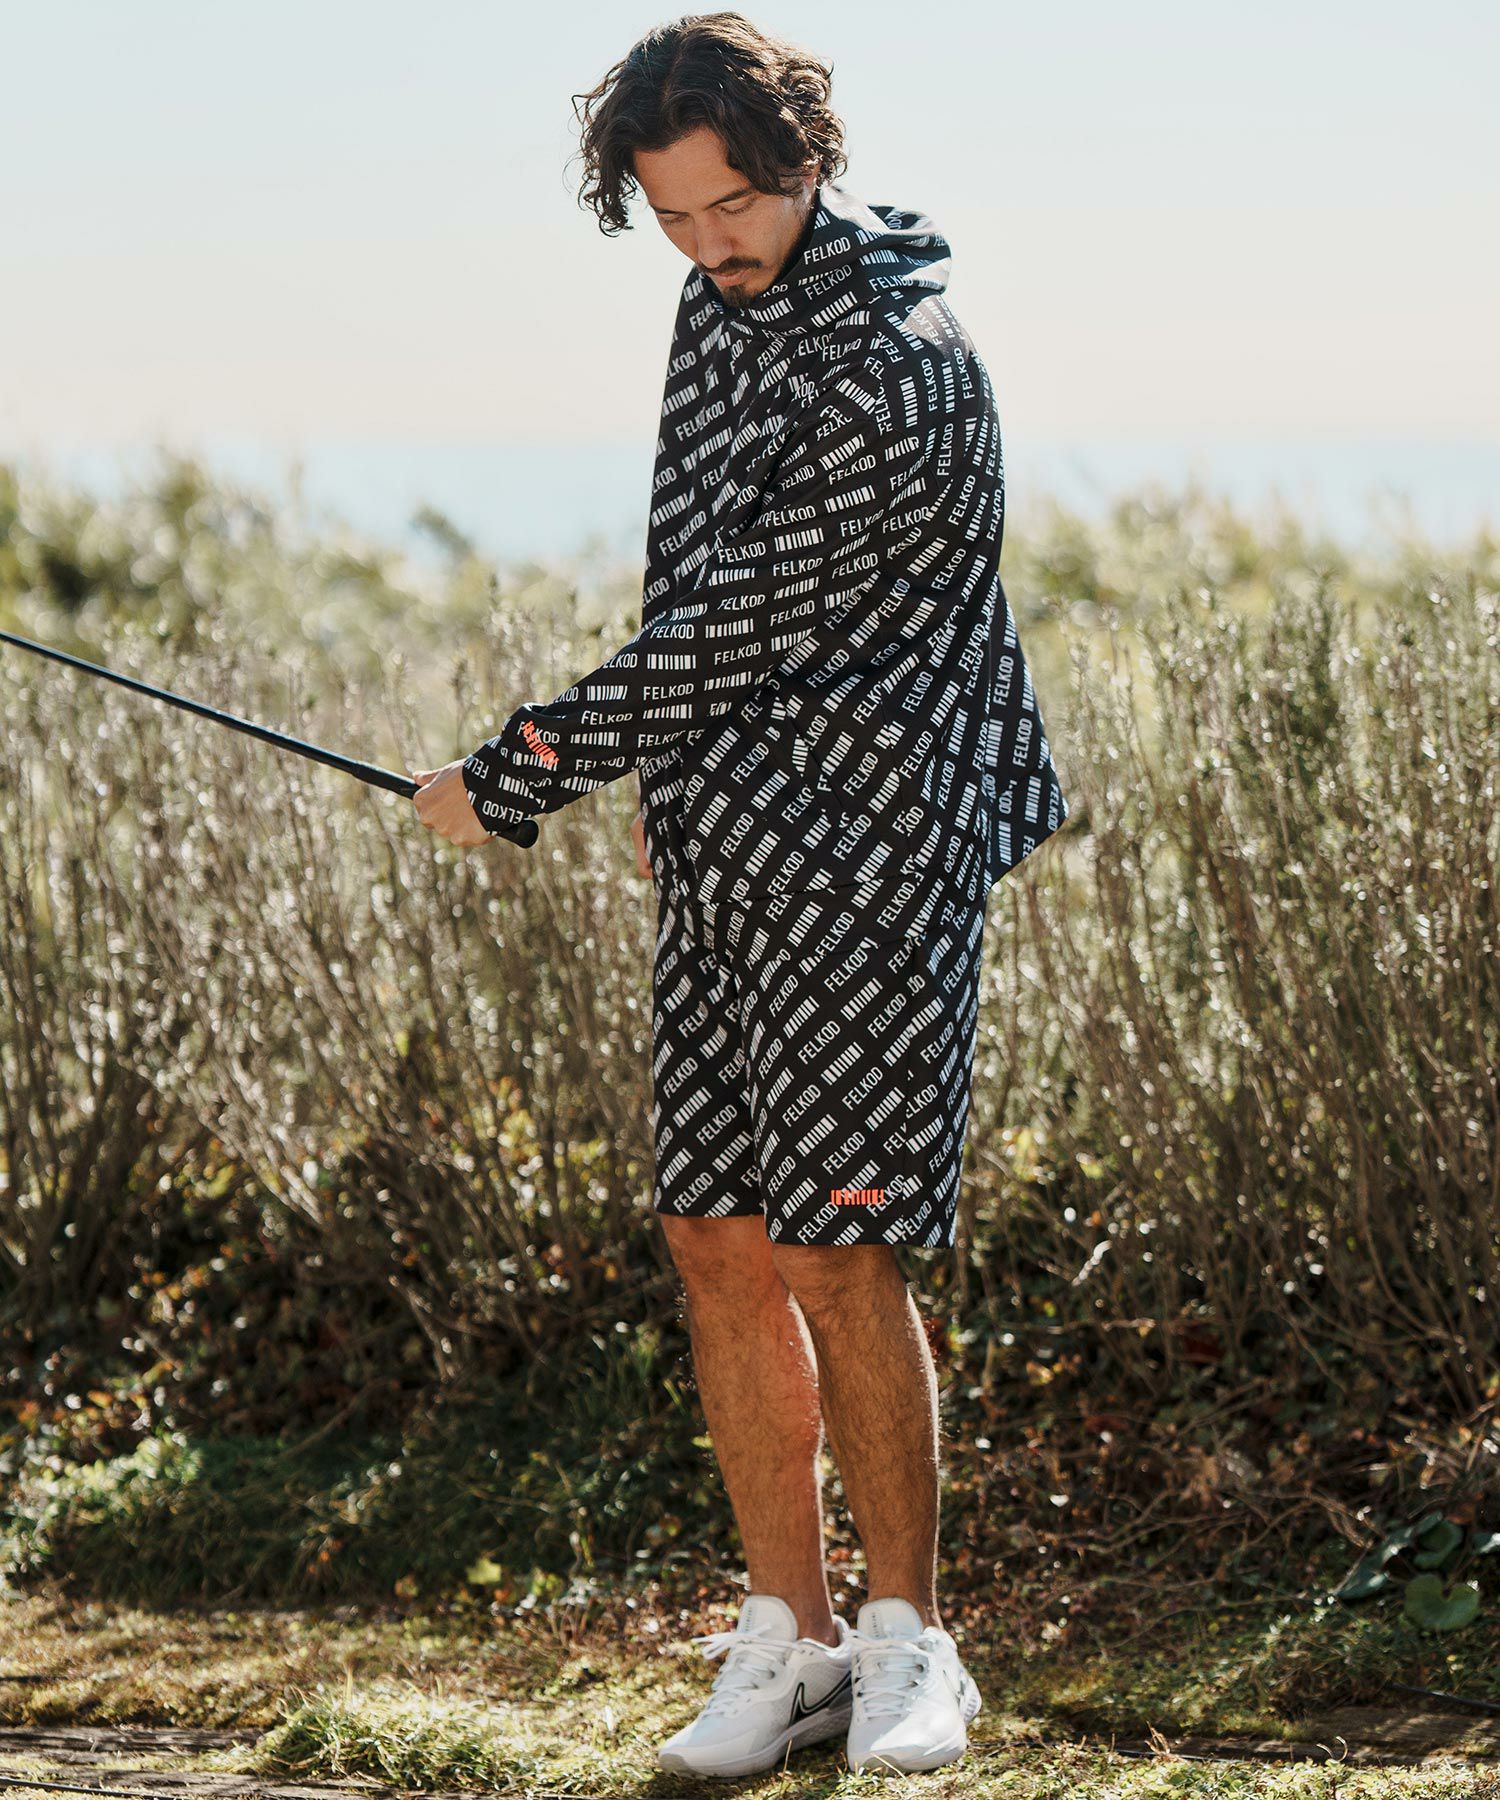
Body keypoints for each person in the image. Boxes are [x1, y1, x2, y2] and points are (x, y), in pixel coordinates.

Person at [413, 11, 1068, 1779]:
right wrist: (670, 785)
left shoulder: (898, 361)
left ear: (804, 158)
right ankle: (789, 1642)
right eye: (676, 217)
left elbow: (743, 622)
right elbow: (688, 569)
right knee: (715, 1235)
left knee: (835, 1244)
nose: (711, 245)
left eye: (734, 205)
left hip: (875, 842)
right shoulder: (717, 306)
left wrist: (524, 770)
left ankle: (912, 1645)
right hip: (732, 834)